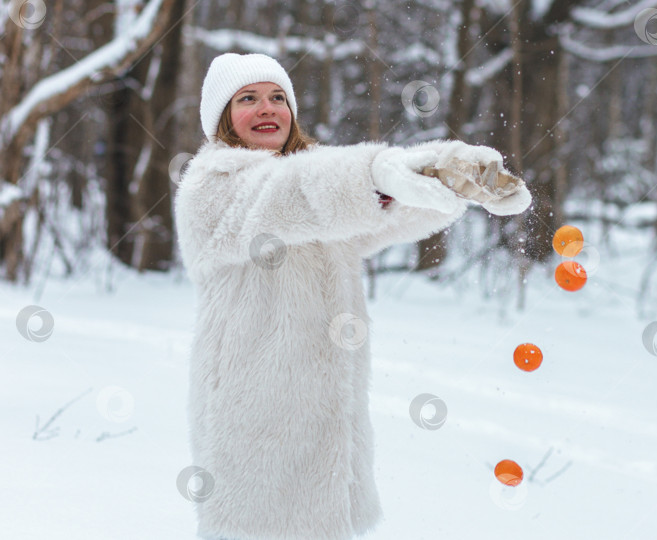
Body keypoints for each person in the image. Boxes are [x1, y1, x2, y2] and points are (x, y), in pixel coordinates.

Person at [173, 52, 531, 540]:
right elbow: (292, 193)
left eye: (278, 97)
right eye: (248, 99)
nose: (267, 108)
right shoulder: (212, 189)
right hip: (254, 424)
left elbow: (371, 212)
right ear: (220, 117)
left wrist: (446, 176)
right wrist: (380, 172)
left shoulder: (318, 191)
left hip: (329, 424)